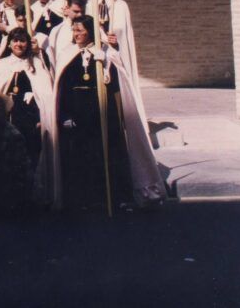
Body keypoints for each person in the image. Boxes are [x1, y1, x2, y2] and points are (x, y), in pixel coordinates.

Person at [53, 16, 163, 213]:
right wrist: (65, 116)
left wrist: (105, 63)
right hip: (77, 114)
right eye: (74, 31)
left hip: (102, 113)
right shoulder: (67, 53)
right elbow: (63, 89)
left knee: (107, 156)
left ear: (90, 31)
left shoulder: (106, 53)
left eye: (80, 31)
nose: (76, 34)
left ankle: (111, 198)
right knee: (80, 157)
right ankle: (83, 199)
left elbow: (117, 84)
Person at [0, 28, 57, 207]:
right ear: (9, 44)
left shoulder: (36, 63)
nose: (19, 44)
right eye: (15, 41)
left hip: (30, 119)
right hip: (8, 119)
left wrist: (36, 101)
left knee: (29, 156)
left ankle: (30, 198)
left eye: (22, 41)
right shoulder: (2, 64)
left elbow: (45, 92)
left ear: (28, 43)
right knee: (8, 157)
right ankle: (9, 200)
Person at [97, 0, 149, 136]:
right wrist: (103, 37)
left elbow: (124, 32)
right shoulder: (91, 4)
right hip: (99, 55)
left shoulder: (120, 5)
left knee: (116, 91)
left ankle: (119, 126)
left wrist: (115, 40)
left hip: (115, 56)